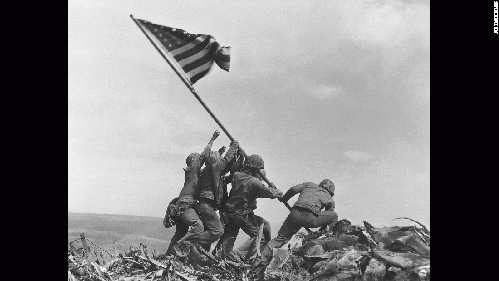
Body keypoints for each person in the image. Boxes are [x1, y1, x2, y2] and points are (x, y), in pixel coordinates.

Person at [215, 154, 283, 262]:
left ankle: (220, 256)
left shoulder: (237, 175)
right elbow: (272, 193)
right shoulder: (255, 182)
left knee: (262, 226)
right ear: (256, 169)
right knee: (259, 236)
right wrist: (275, 189)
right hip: (242, 214)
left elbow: (253, 189)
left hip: (231, 212)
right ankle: (240, 255)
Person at [164, 130, 220, 255]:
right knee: (198, 226)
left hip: (182, 206)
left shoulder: (195, 174)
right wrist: (213, 139)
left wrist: (218, 155)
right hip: (185, 205)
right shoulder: (192, 170)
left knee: (180, 232)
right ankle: (180, 246)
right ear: (194, 162)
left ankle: (168, 255)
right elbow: (204, 154)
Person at [265, 179, 338, 251]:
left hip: (295, 214)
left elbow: (294, 189)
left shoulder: (309, 184)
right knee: (334, 216)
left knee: (279, 239)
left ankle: (260, 256)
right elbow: (327, 219)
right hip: (310, 218)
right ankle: (320, 235)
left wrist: (284, 199)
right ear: (330, 192)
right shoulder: (330, 199)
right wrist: (320, 232)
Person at [195, 139, 240, 251]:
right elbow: (226, 160)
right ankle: (189, 243)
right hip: (206, 205)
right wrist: (234, 146)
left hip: (205, 204)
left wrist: (237, 159)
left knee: (209, 230)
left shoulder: (209, 171)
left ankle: (200, 253)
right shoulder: (214, 168)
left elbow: (226, 167)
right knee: (217, 231)